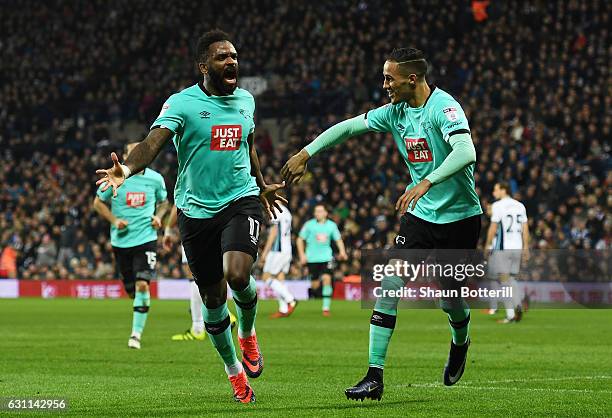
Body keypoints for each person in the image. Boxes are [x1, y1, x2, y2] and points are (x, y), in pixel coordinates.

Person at [95, 29, 285, 404]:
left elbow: (248, 143)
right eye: (222, 57)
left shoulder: (246, 99)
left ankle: (248, 333)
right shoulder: (181, 103)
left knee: (238, 274)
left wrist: (261, 185)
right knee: (213, 300)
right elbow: (152, 143)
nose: (231, 61)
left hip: (240, 199)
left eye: (234, 55)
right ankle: (234, 373)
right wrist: (127, 171)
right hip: (195, 211)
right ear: (203, 66)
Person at [282, 47, 482, 400]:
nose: (384, 84)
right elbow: (348, 128)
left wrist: (426, 182)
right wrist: (306, 152)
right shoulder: (395, 113)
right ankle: (374, 376)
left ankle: (460, 340)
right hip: (421, 216)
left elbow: (467, 153)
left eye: (390, 78)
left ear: (412, 78)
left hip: (461, 217)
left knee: (449, 297)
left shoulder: (444, 107)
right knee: (389, 281)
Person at [93, 142, 169, 349]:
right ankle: (140, 306)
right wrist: (114, 220)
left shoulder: (155, 179)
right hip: (121, 240)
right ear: (127, 157)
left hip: (146, 238)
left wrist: (159, 216)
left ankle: (136, 335)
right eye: (133, 153)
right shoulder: (118, 178)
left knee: (142, 283)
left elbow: (164, 202)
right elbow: (98, 202)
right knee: (132, 291)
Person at [162, 205, 237, 340]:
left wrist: (168, 229)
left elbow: (178, 203)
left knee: (193, 274)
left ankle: (198, 328)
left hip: (195, 226)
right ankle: (225, 314)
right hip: (217, 226)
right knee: (210, 274)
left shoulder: (188, 183)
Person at [484, 182, 529, 323]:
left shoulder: (498, 206)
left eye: (496, 189)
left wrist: (487, 245)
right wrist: (526, 247)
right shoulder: (520, 205)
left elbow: (493, 228)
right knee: (512, 279)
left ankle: (510, 315)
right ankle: (519, 304)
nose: (494, 192)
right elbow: (525, 228)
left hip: (503, 248)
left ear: (504, 190)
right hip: (517, 247)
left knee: (503, 282)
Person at [296, 204, 347, 316]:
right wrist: (302, 255)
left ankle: (326, 308)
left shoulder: (331, 226)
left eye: (320, 211)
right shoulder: (309, 225)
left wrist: (342, 252)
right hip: (312, 259)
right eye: (316, 211)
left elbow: (338, 240)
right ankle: (315, 292)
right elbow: (300, 239)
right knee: (315, 285)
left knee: (326, 278)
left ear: (325, 213)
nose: (317, 213)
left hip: (326, 258)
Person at [259, 202, 298, 318]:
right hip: (287, 249)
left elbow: (274, 232)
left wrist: (265, 253)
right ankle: (283, 309)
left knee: (266, 277)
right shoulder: (286, 211)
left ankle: (291, 299)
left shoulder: (275, 209)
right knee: (279, 278)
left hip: (277, 250)